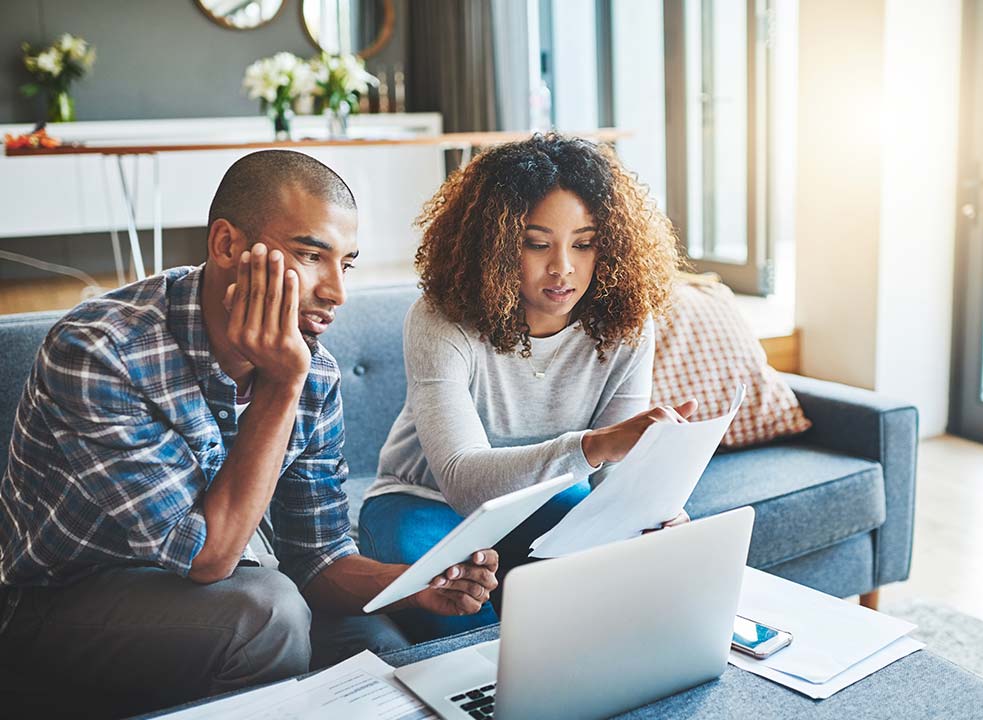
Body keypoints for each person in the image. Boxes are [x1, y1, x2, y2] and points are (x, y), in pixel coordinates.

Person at [0, 150, 498, 719]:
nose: (336, 291)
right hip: (61, 605)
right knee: (270, 613)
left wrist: (419, 582)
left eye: (347, 263)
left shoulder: (315, 371)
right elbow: (206, 558)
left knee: (385, 652)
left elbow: (318, 557)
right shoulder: (100, 352)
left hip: (230, 585)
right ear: (227, 245)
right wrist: (281, 386)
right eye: (311, 255)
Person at [359, 134, 695, 643]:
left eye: (584, 243)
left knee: (625, 591)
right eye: (537, 243)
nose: (563, 267)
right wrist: (595, 445)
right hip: (422, 501)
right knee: (461, 612)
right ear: (493, 246)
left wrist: (651, 512)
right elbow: (461, 479)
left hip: (546, 498)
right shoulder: (440, 322)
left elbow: (614, 483)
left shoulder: (626, 323)